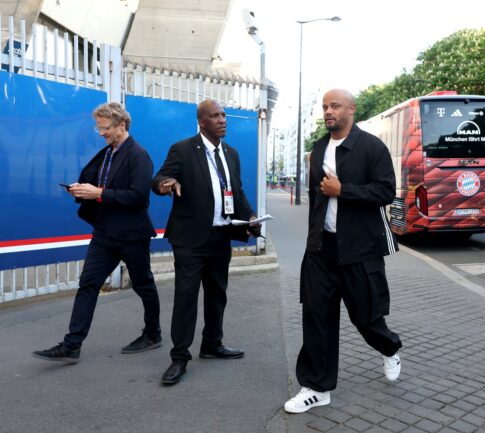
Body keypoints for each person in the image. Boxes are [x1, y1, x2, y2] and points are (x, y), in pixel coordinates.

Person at [284, 89, 402, 414]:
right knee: (316, 317)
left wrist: (343, 190)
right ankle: (317, 387)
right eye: (324, 107)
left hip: (359, 250)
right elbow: (317, 199)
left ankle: (390, 348)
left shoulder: (371, 147)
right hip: (322, 249)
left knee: (366, 318)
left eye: (334, 106)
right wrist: (311, 243)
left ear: (352, 109)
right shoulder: (319, 148)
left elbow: (385, 192)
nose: (328, 112)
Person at [33, 102, 161, 363]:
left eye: (105, 128)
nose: (101, 133)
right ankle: (72, 345)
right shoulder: (108, 153)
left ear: (122, 126)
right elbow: (101, 185)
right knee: (88, 284)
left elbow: (138, 197)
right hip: (104, 233)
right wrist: (84, 189)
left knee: (143, 284)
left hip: (132, 235)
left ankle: (152, 333)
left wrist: (99, 193)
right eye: (98, 128)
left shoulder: (138, 155)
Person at [152, 99, 258, 386]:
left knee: (217, 294)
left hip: (220, 236)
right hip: (190, 239)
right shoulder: (183, 149)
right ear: (202, 122)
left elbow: (236, 192)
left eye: (224, 115)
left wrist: (250, 217)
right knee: (186, 297)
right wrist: (165, 184)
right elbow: (160, 178)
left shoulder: (231, 154)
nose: (223, 120)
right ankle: (179, 357)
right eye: (215, 116)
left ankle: (212, 344)